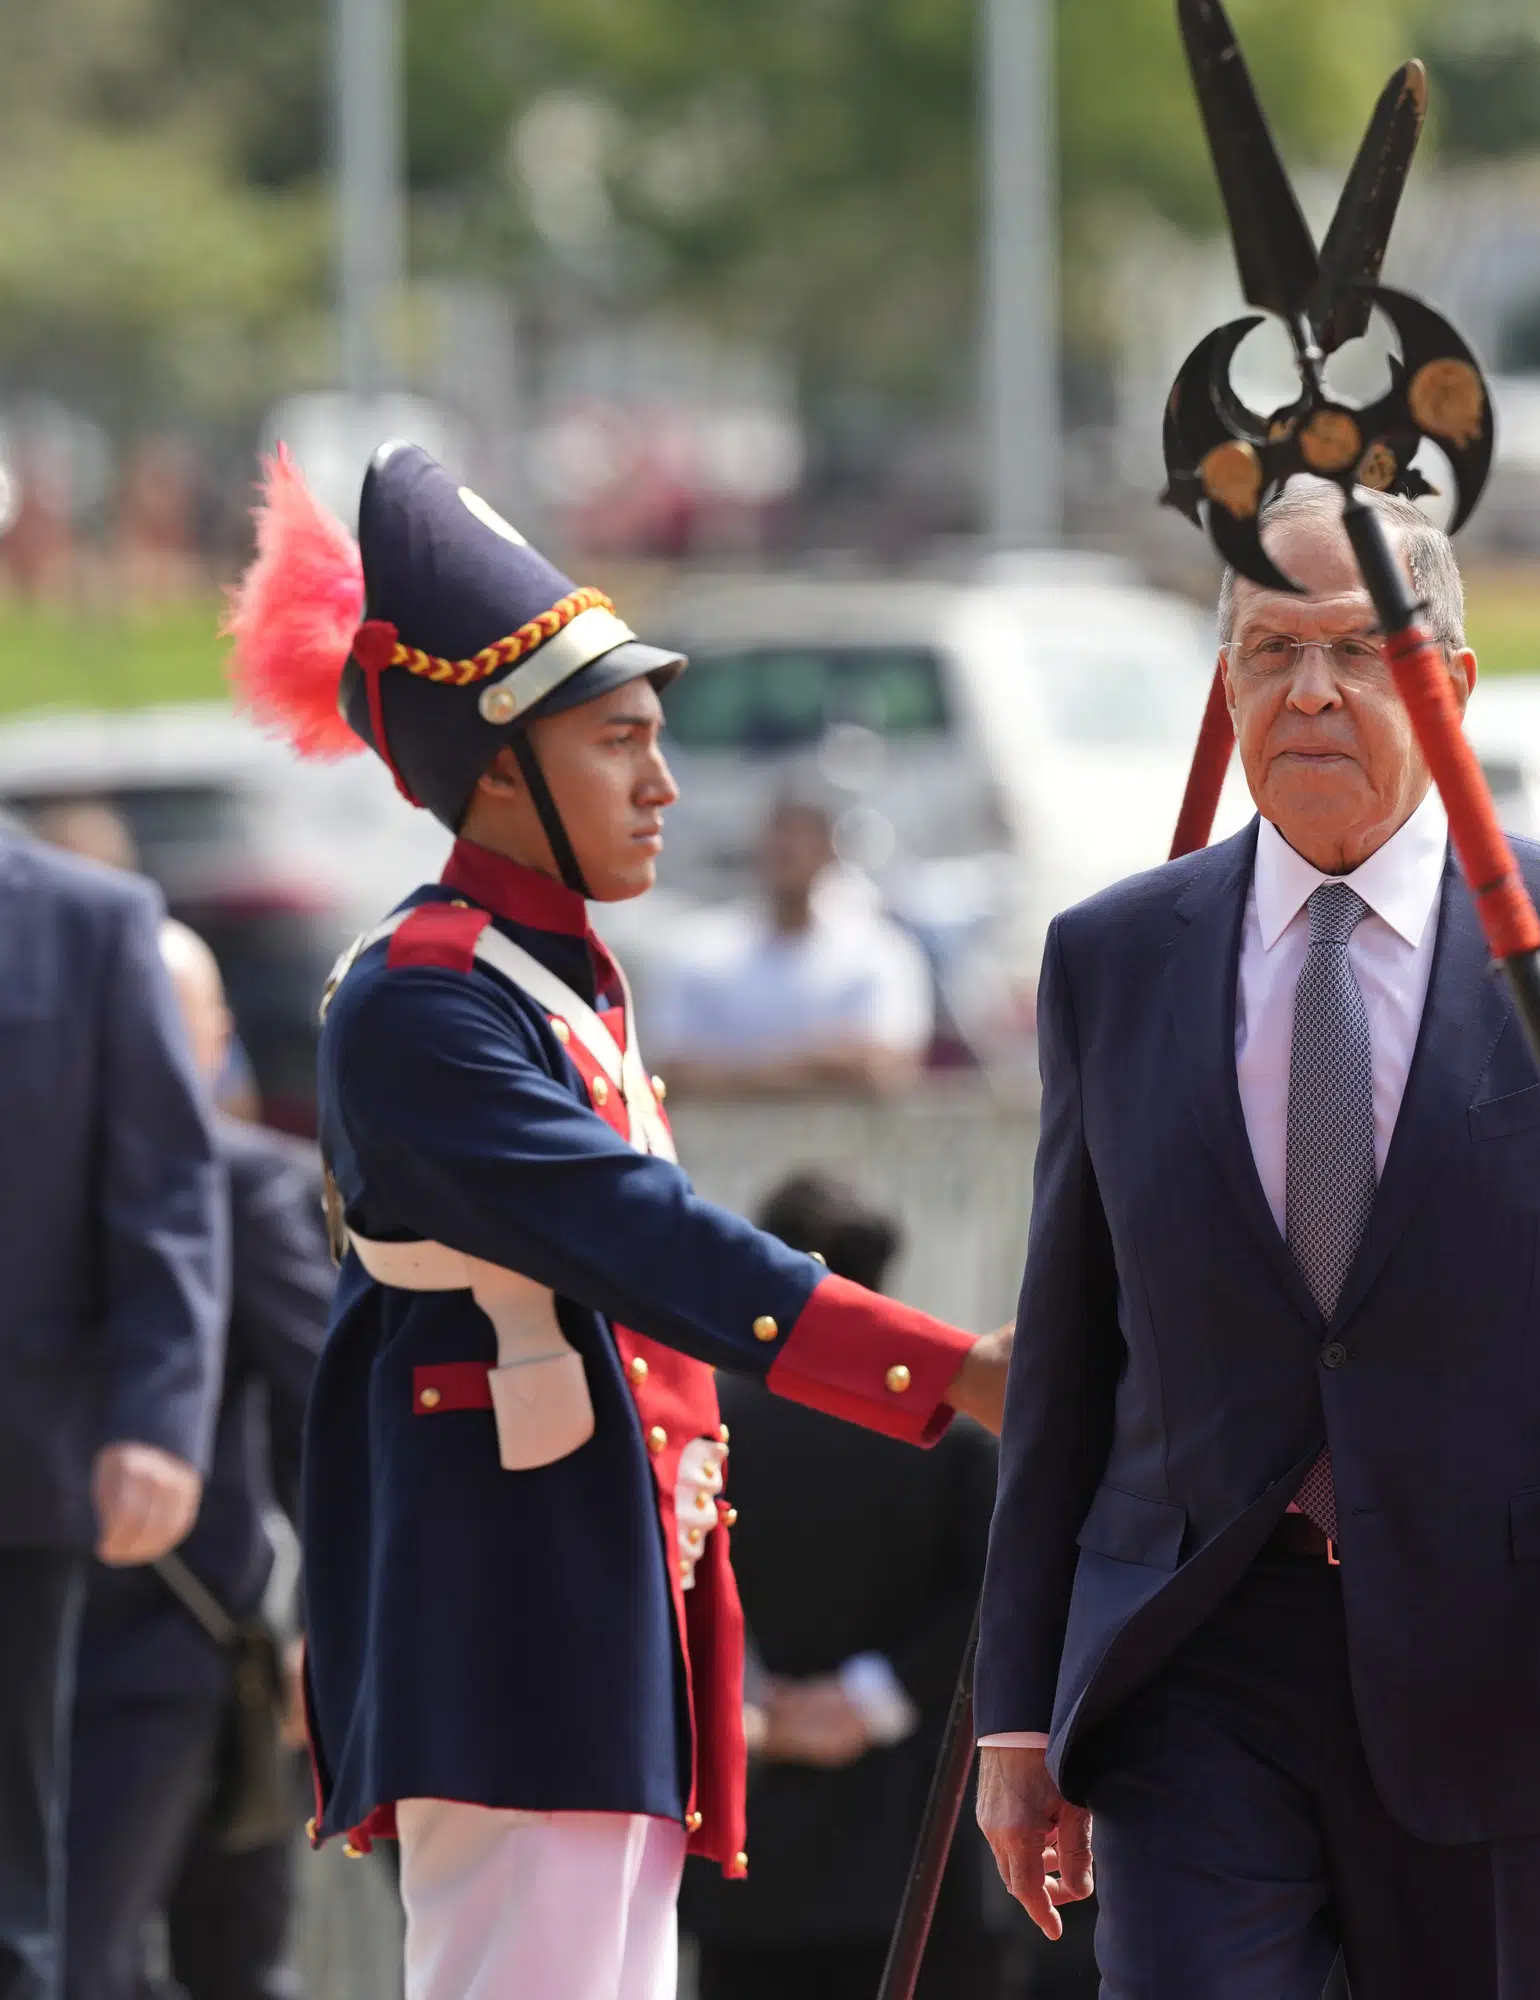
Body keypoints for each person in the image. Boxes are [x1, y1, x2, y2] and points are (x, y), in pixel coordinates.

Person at [221, 440, 1011, 2000]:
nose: (664, 782)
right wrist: (942, 1374)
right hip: (514, 1614)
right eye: (621, 743)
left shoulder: (549, 976)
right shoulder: (425, 1003)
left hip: (596, 1595)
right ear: (501, 767)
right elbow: (648, 1237)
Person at [974, 482, 1540, 1999]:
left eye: (1358, 648)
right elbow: (1071, 1353)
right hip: (1193, 1662)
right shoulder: (1114, 960)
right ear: (1226, 685)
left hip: (1509, 1678)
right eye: (1269, 652)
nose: (1311, 690)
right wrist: (1019, 1711)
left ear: (1449, 685)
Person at [65, 922, 325, 2000]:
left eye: (186, 1020)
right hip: (51, 1636)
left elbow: (327, 1410)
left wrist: (333, 1623)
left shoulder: (249, 1186)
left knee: (117, 1956)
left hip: (181, 1649)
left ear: (223, 1037)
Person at [680, 1170, 1009, 2000]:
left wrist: (752, 1699)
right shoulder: (956, 1438)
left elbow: (673, 1578)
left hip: (751, 1857)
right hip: (915, 1855)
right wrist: (873, 1696)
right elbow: (1001, 1599)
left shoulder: (705, 1427)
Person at [0, 826, 225, 2000]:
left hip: (16, 1473)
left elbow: (169, 1192)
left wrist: (158, 1414)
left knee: (9, 1893)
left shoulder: (89, 917)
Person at [645, 798, 936, 1097]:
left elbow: (886, 1068)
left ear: (828, 852)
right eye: (779, 841)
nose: (789, 853)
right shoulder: (699, 949)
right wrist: (823, 1065)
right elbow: (670, 1072)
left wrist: (737, 1071)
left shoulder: (879, 951)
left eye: (802, 842)